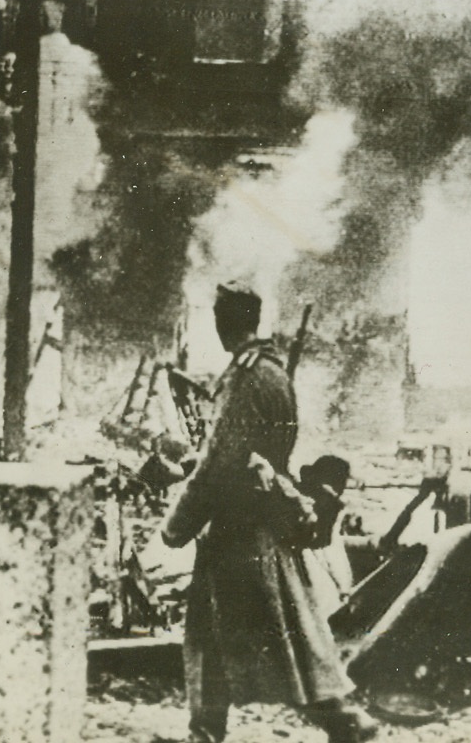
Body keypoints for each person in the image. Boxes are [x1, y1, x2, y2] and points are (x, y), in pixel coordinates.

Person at [162, 282, 375, 743]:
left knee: (283, 641)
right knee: (209, 632)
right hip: (262, 522)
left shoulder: (244, 378)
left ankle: (349, 724)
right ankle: (205, 733)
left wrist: (175, 527)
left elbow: (217, 463)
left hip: (240, 530)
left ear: (224, 323)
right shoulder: (276, 374)